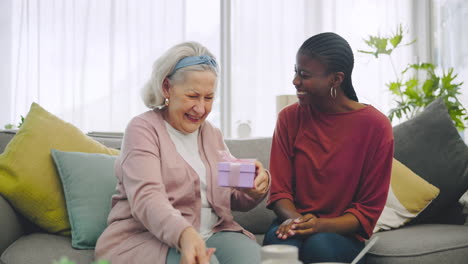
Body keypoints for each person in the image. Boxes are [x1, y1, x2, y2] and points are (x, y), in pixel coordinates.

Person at [95, 41, 270, 264]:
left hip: (215, 233)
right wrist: (185, 234)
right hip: (147, 238)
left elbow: (230, 196)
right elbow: (147, 197)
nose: (201, 109)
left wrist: (253, 188)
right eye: (192, 96)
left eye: (208, 98)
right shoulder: (143, 130)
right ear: (167, 87)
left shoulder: (211, 134)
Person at [263, 32, 394, 264]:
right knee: (281, 244)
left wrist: (319, 226)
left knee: (319, 245)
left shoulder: (376, 126)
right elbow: (279, 192)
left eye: (304, 75)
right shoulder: (288, 118)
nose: (295, 81)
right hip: (292, 221)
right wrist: (298, 223)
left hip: (343, 235)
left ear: (336, 79)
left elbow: (366, 211)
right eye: (295, 71)